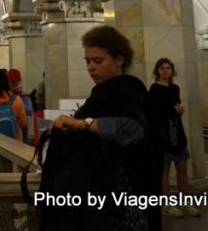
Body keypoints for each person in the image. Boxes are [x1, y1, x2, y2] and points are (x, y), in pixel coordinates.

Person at [38, 25, 162, 231]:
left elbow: (132, 128)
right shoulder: (102, 91)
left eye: (98, 61)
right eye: (87, 61)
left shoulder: (127, 87)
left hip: (118, 202)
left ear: (119, 60)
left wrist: (80, 123)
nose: (91, 68)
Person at [150, 58, 198, 218]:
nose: (165, 71)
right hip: (163, 134)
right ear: (157, 71)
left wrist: (180, 110)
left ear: (172, 70)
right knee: (165, 170)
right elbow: (153, 112)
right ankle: (167, 204)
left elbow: (176, 106)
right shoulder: (154, 89)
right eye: (162, 68)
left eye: (168, 68)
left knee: (182, 168)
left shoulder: (175, 88)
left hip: (177, 132)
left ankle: (185, 203)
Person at [7, 68, 34, 137]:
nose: (13, 84)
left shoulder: (23, 96)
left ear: (19, 81)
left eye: (14, 82)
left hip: (20, 128)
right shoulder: (3, 94)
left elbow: (30, 111)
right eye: (11, 82)